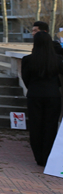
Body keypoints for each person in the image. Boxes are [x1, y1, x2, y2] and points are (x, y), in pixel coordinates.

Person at [21, 31, 63, 167]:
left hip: (35, 94)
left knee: (35, 125)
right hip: (53, 95)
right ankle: (47, 155)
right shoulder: (57, 59)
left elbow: (25, 77)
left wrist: (33, 88)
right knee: (50, 125)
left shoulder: (28, 59)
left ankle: (38, 156)